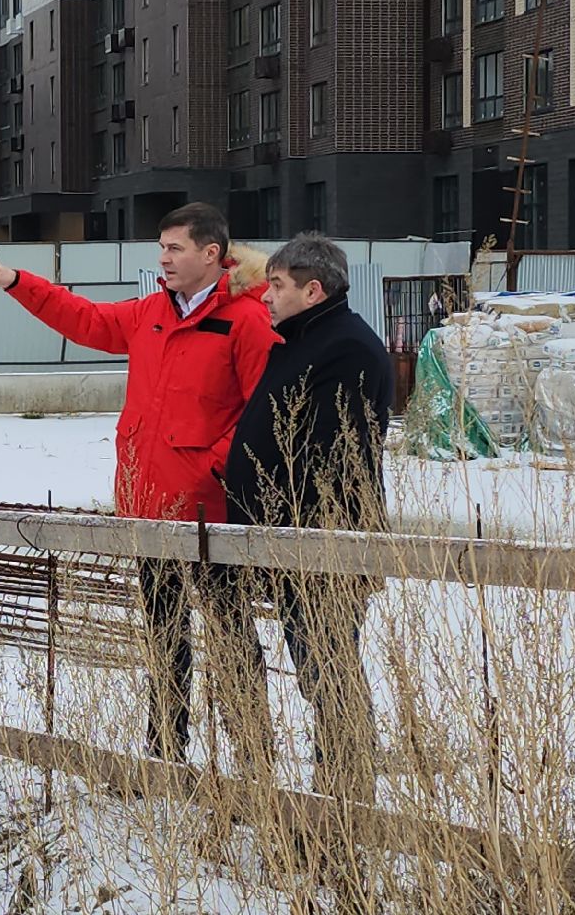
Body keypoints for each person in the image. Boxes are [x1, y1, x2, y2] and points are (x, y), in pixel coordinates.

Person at [0, 203, 279, 764]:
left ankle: (253, 758)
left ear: (212, 254)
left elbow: (264, 414)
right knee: (163, 640)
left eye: (175, 248)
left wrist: (211, 469)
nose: (164, 258)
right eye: (161, 247)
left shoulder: (246, 320)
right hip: (147, 509)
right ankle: (164, 752)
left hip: (211, 515)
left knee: (231, 640)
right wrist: (18, 282)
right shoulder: (151, 312)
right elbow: (84, 318)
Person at [222, 232, 394, 800]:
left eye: (276, 285)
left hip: (323, 545)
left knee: (329, 676)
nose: (264, 297)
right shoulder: (307, 338)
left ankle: (345, 809)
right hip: (294, 542)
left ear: (313, 290)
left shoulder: (345, 350)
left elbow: (327, 458)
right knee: (320, 672)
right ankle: (337, 803)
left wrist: (280, 526)